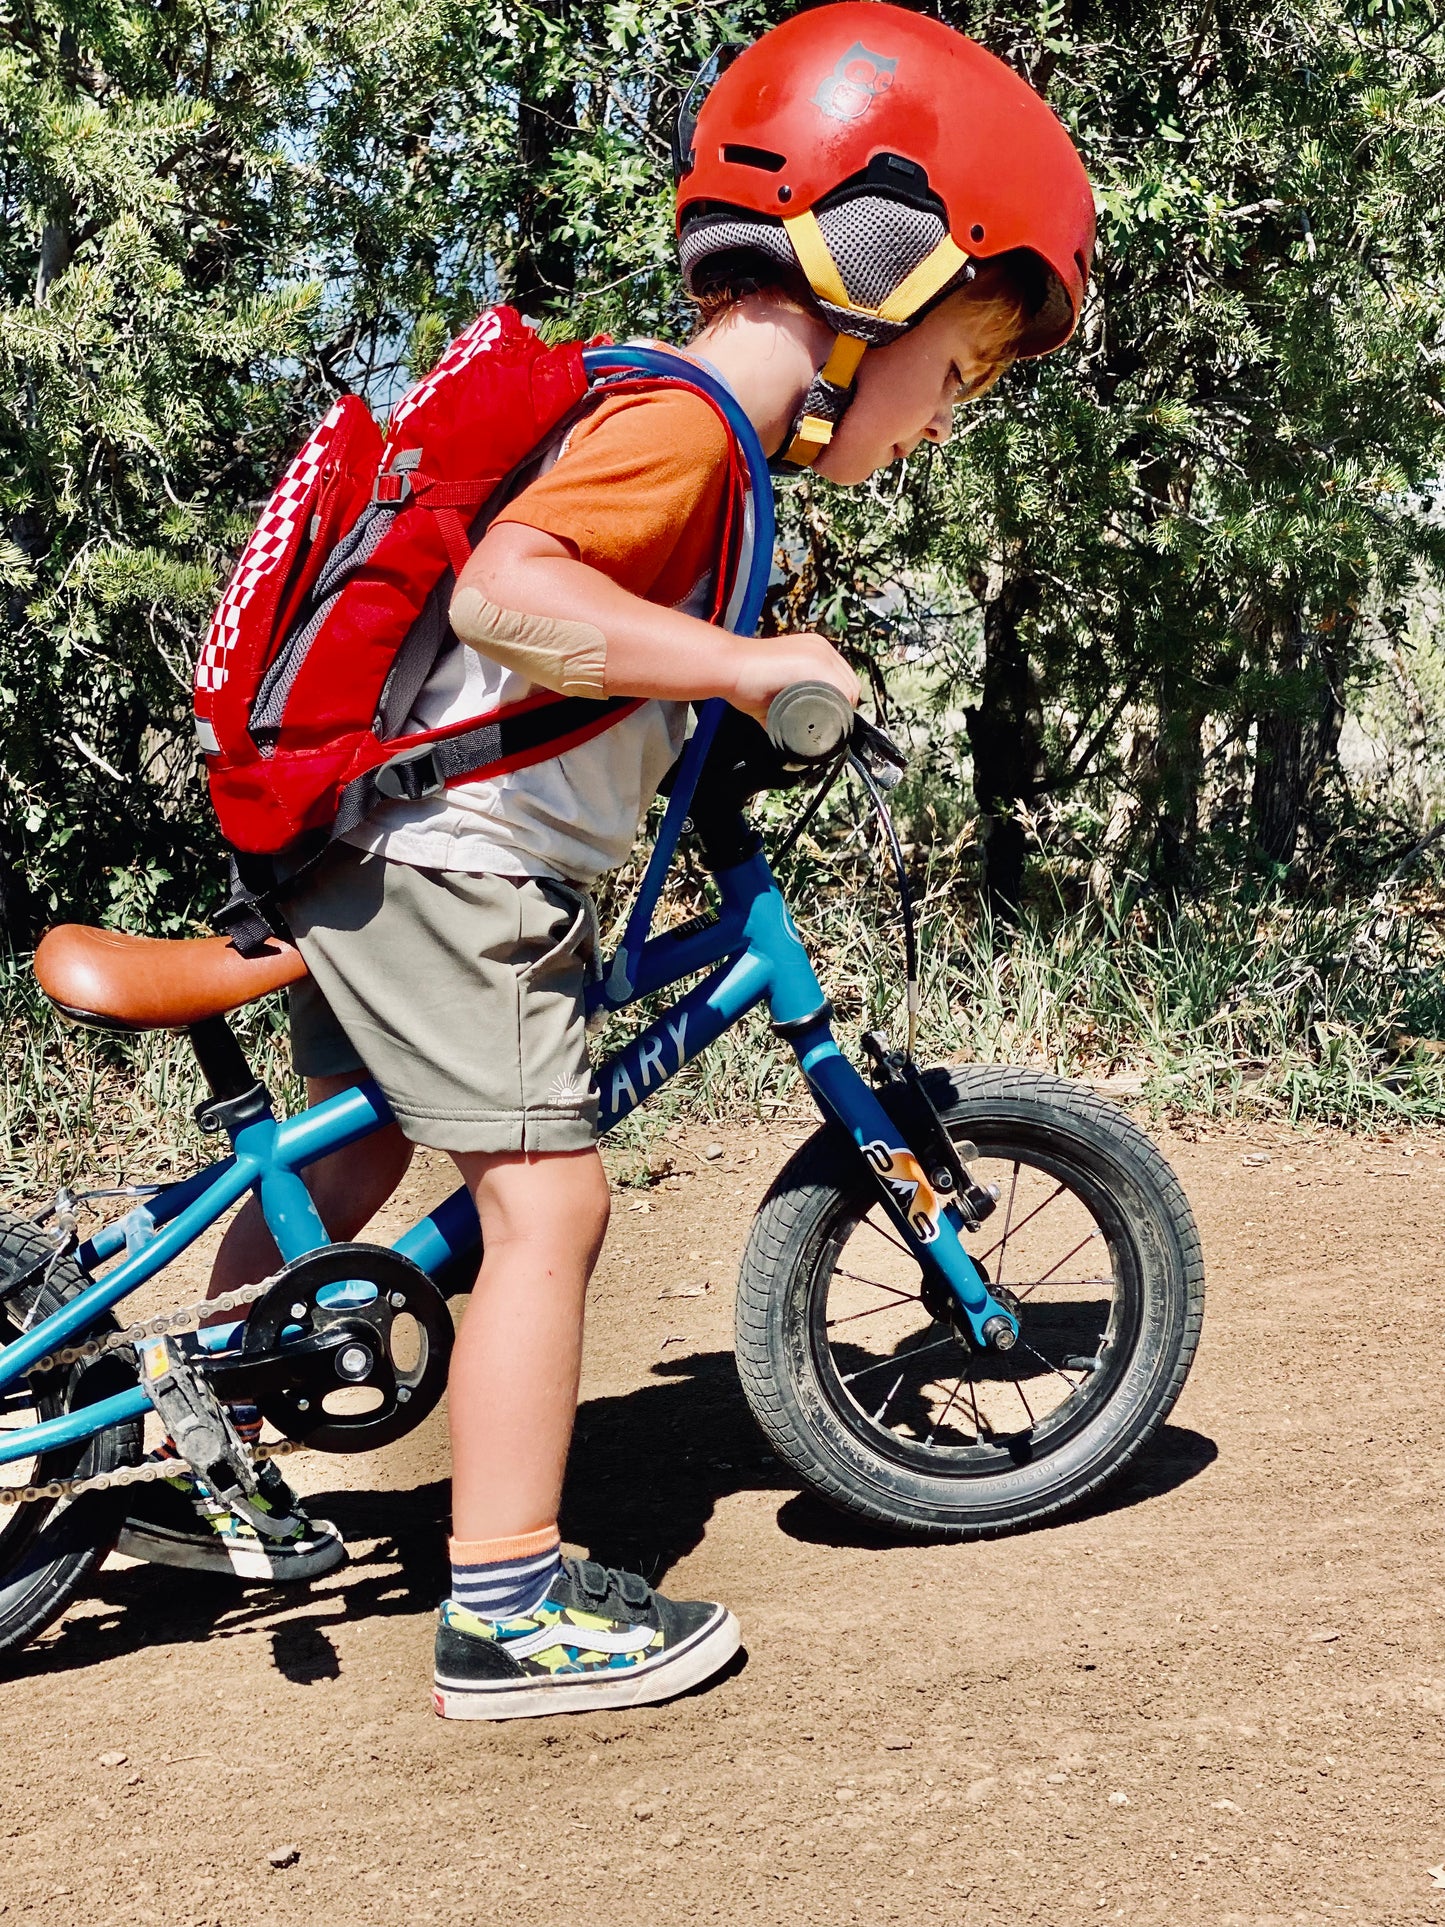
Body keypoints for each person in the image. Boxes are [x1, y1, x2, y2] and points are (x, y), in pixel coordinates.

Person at [116, 3, 1095, 1718]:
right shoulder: (691, 429)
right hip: (454, 872)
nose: (953, 415)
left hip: (397, 853)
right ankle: (507, 1606)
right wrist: (739, 665)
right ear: (879, 271)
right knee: (544, 1201)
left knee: (342, 1174)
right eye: (971, 369)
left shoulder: (691, 448)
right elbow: (512, 595)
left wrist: (727, 678)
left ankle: (200, 1462)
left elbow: (571, 657)